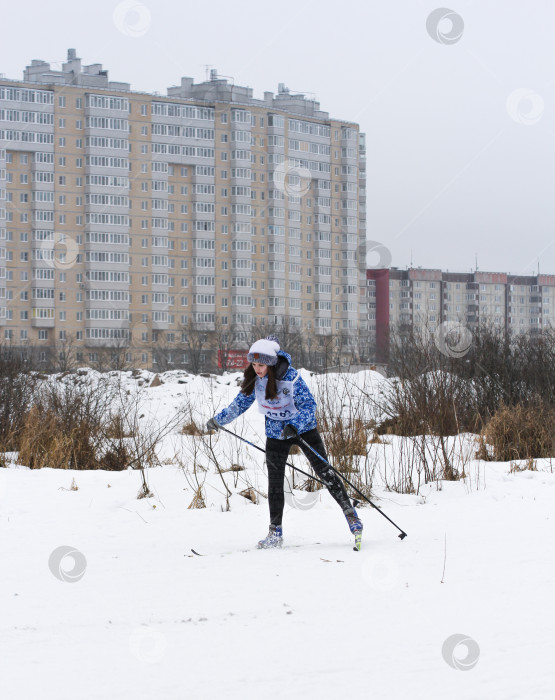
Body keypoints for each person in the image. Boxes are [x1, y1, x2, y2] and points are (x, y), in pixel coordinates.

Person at [206, 335, 363, 549]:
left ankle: (351, 516)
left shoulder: (291, 377)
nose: (257, 368)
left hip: (304, 431)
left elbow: (309, 405)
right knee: (275, 483)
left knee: (325, 472)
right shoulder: (254, 379)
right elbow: (239, 404)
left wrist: (295, 425)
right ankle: (275, 533)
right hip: (276, 434)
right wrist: (218, 420)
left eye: (261, 364)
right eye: (253, 363)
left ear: (270, 363)